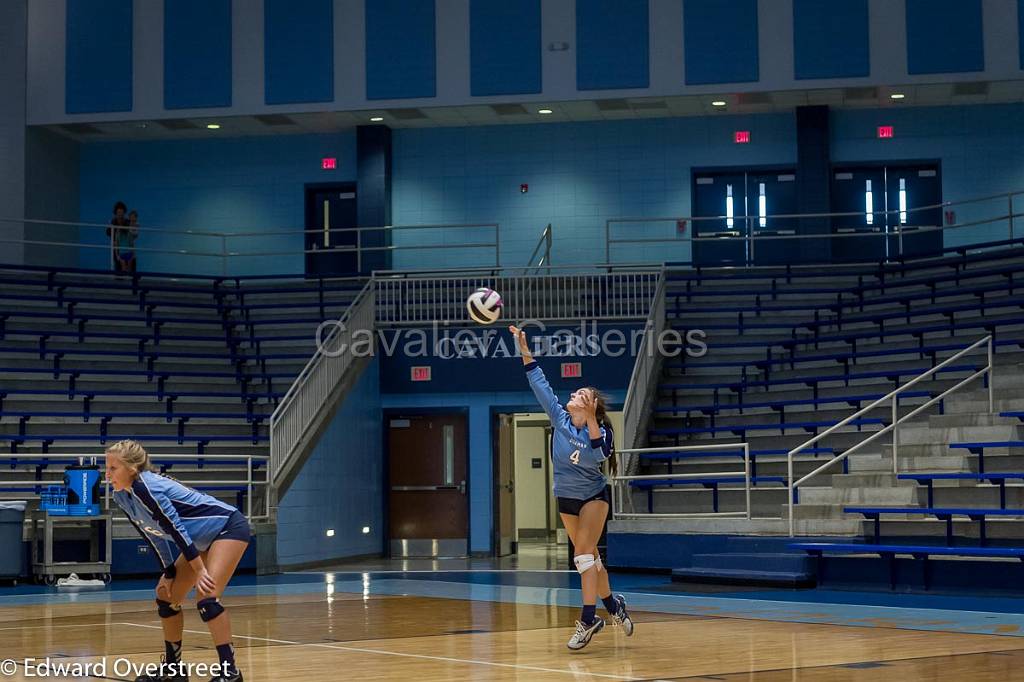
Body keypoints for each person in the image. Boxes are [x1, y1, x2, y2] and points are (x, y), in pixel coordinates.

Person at [509, 325, 634, 650]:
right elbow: (539, 383)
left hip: (593, 498)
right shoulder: (559, 420)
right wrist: (524, 348)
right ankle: (613, 606)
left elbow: (599, 455)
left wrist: (593, 419)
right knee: (592, 561)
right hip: (565, 498)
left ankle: (589, 618)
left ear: (591, 406)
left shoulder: (603, 430)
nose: (573, 395)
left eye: (581, 395)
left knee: (581, 557)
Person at [105, 439, 250, 682]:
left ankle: (230, 672)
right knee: (166, 596)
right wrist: (169, 572)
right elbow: (151, 534)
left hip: (227, 528)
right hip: (200, 541)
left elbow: (176, 528)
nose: (107, 475)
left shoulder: (147, 488)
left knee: (207, 598)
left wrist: (200, 570)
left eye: (113, 469)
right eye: (106, 468)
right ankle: (173, 671)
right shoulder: (122, 496)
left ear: (131, 468)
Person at [105, 201, 137, 273]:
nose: (120, 215)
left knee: (132, 261)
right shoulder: (113, 222)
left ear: (124, 213)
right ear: (115, 213)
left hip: (127, 247)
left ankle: (133, 278)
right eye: (118, 213)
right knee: (118, 263)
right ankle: (119, 278)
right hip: (118, 247)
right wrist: (111, 226)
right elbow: (108, 233)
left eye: (122, 213)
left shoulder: (127, 222)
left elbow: (134, 232)